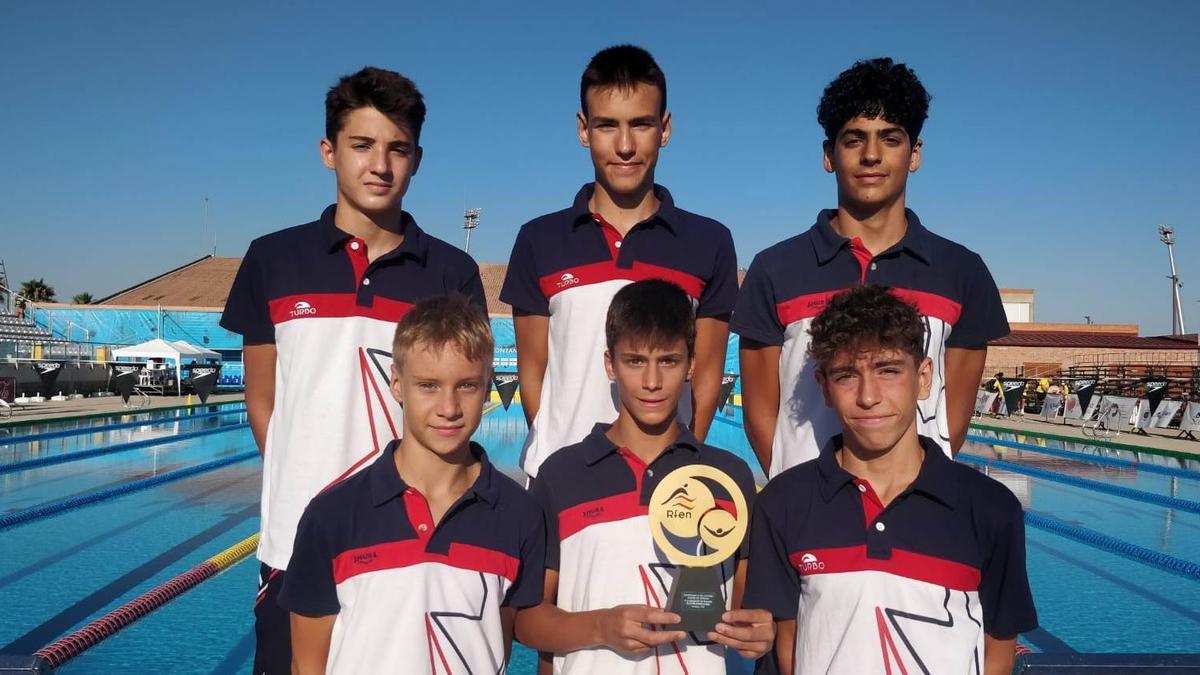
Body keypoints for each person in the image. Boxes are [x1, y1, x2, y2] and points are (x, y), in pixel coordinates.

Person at [220, 66, 487, 673]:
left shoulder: (450, 273)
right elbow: (263, 398)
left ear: (417, 158)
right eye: (361, 145)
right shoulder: (273, 259)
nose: (380, 165)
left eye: (397, 149)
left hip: (408, 544)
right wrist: (303, 482)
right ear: (328, 151)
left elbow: (458, 403)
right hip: (294, 541)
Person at [733, 57, 1009, 477]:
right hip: (809, 520)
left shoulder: (961, 272)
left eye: (891, 139)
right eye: (854, 139)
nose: (872, 155)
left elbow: (951, 419)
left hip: (917, 518)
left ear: (914, 154)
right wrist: (803, 496)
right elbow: (759, 416)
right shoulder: (774, 269)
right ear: (829, 154)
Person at [744, 284, 1036, 674]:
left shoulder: (988, 508)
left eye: (888, 370)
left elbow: (998, 646)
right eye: (847, 375)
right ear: (824, 388)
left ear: (924, 377)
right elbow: (789, 644)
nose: (868, 396)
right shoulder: (783, 503)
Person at [501, 45, 738, 480]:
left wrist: (682, 464)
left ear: (664, 129)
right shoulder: (539, 239)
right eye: (607, 125)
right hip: (562, 485)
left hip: (669, 486)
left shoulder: (710, 241)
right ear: (583, 129)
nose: (625, 146)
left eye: (641, 124)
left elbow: (705, 374)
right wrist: (559, 466)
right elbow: (533, 371)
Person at [516, 280, 772, 674]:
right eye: (635, 361)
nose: (652, 382)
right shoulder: (562, 475)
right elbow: (527, 621)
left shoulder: (727, 478)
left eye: (668, 361)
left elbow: (743, 607)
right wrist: (601, 626)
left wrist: (755, 633)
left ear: (691, 365)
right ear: (609, 364)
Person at [279, 295, 544, 673]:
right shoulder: (332, 516)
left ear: (488, 389)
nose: (448, 407)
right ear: (397, 385)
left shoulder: (520, 513)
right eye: (428, 386)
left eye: (466, 386)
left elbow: (495, 645)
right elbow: (307, 664)